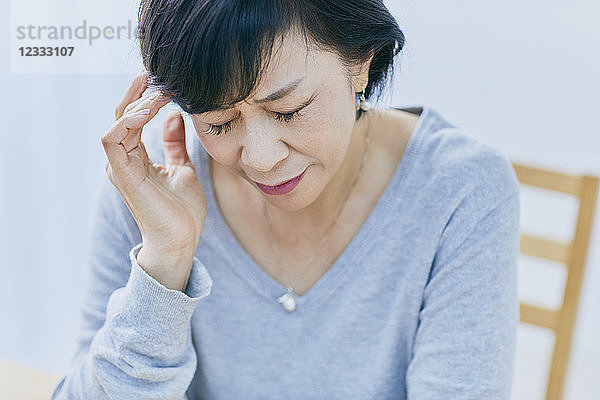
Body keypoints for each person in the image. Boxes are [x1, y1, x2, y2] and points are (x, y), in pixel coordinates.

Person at [52, 0, 521, 399]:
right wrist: (165, 262)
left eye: (287, 110)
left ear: (359, 61)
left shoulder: (460, 188)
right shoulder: (151, 183)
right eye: (218, 122)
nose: (260, 159)